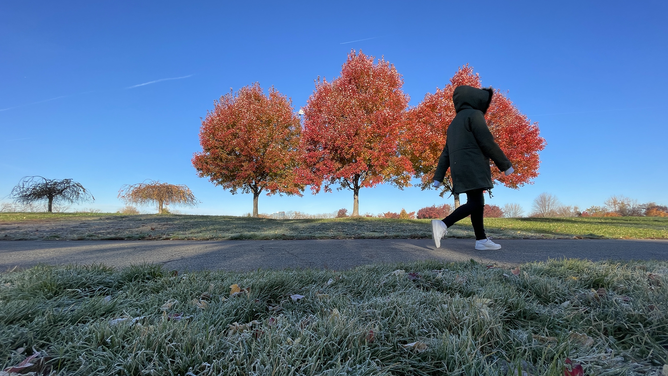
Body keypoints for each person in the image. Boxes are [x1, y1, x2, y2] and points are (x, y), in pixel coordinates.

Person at [431, 85, 514, 250]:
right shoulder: (475, 115)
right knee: (476, 203)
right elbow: (487, 141)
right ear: (475, 99)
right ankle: (443, 224)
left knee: (476, 201)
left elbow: (446, 153)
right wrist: (505, 164)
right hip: (473, 165)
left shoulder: (453, 124)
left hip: (459, 168)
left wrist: (438, 177)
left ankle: (481, 240)